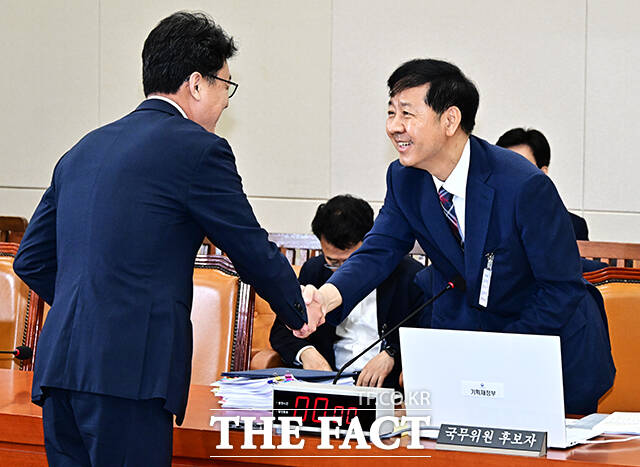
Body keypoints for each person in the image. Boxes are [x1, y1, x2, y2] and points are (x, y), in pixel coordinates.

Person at [13, 11, 311, 466]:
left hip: (59, 372)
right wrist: (298, 309)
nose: (225, 102)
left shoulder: (82, 149)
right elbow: (248, 246)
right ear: (197, 84)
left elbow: (31, 259)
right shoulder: (199, 149)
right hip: (129, 374)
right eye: (225, 86)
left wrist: (96, 307)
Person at [299, 59, 615, 415]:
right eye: (390, 112)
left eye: (407, 113)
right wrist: (325, 299)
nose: (393, 127)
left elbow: (560, 288)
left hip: (548, 349)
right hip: (471, 349)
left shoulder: (523, 185)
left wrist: (493, 357)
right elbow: (378, 250)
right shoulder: (405, 179)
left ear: (450, 120)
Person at [270, 195, 424, 388]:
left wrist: (392, 354)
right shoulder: (315, 271)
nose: (343, 273)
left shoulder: (409, 274)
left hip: (386, 386)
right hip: (328, 383)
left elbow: (425, 336)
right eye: (333, 262)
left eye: (352, 262)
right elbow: (281, 331)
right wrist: (307, 353)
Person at [496, 127, 590, 240]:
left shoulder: (571, 226)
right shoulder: (483, 219)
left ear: (542, 173)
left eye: (521, 167)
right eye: (505, 167)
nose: (511, 175)